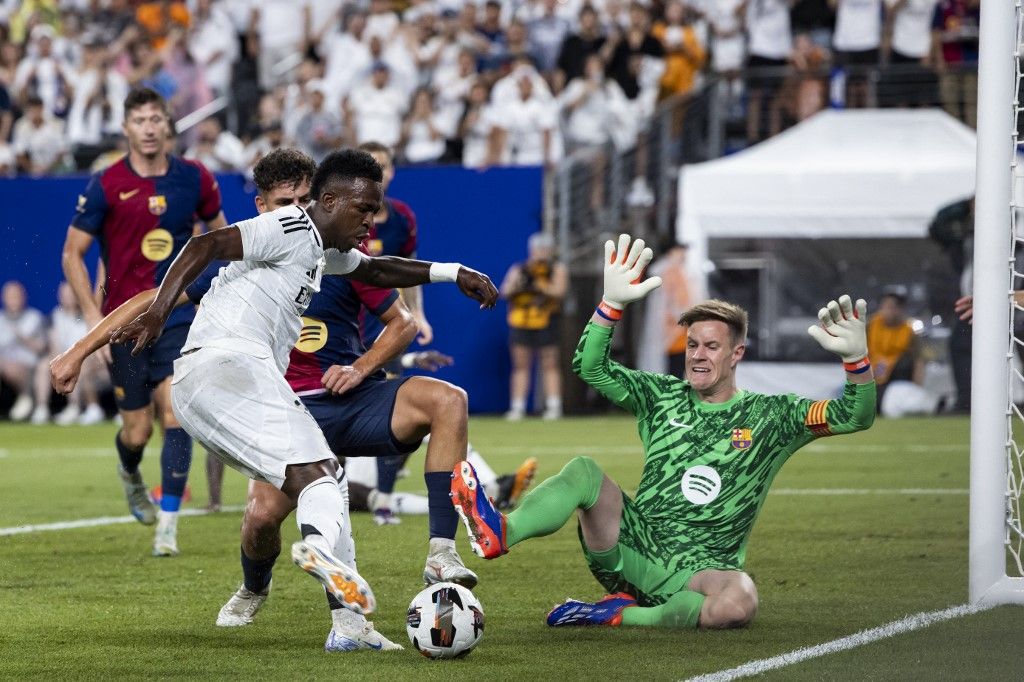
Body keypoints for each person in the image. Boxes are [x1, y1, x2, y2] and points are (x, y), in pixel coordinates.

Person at [99, 148, 498, 647]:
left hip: (227, 382)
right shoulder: (288, 225)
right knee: (299, 491)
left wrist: (451, 271)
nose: (371, 221)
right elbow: (203, 244)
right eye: (363, 210)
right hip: (230, 370)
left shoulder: (320, 249)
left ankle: (348, 621)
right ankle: (305, 558)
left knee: (323, 476)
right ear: (327, 200)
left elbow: (375, 271)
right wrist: (158, 314)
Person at [452, 234, 876, 629]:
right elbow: (589, 367)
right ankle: (501, 532)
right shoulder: (661, 394)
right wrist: (610, 306)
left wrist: (857, 361)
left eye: (711, 346)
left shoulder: (772, 416)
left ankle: (622, 616)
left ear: (736, 354)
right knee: (584, 471)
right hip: (633, 546)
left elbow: (852, 415)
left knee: (739, 602)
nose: (698, 355)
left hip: (702, 570)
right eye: (692, 344)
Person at [61, 87, 227, 556]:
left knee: (175, 412)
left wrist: (202, 289)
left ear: (168, 125)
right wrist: (94, 319)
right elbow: (72, 252)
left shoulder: (194, 178)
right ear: (127, 128)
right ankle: (131, 472)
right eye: (140, 120)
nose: (150, 127)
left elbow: (222, 237)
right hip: (121, 322)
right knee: (137, 431)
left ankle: (168, 525)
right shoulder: (106, 183)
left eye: (157, 118)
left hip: (174, 315)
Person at [500, 232, 568, 421]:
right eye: (539, 248)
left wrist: (540, 285)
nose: (542, 252)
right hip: (522, 321)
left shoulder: (556, 269)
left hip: (546, 321)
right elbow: (505, 291)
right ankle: (517, 407)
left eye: (545, 249)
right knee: (520, 365)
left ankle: (554, 406)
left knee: (550, 363)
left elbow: (559, 291)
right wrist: (521, 284)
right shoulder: (521, 269)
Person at [30, 282, 105, 425]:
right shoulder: (54, 316)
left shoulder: (91, 316)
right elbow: (53, 346)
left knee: (79, 364)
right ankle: (41, 408)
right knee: (43, 365)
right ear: (60, 296)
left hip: (90, 361)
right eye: (65, 294)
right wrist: (63, 360)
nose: (68, 298)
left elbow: (97, 346)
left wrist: (74, 359)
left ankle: (76, 407)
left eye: (71, 294)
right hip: (63, 358)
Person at [866, 287, 924, 411]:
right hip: (872, 374)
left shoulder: (909, 331)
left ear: (900, 309)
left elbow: (918, 361)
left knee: (905, 362)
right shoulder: (870, 325)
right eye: (885, 306)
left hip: (897, 376)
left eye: (893, 307)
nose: (888, 311)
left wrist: (916, 388)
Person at [1, 280, 47, 421]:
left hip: (29, 365)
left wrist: (23, 338)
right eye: (10, 296)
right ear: (4, 298)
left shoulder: (34, 317)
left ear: (23, 297)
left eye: (16, 296)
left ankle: (31, 399)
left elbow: (42, 347)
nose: (13, 300)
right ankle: (24, 397)